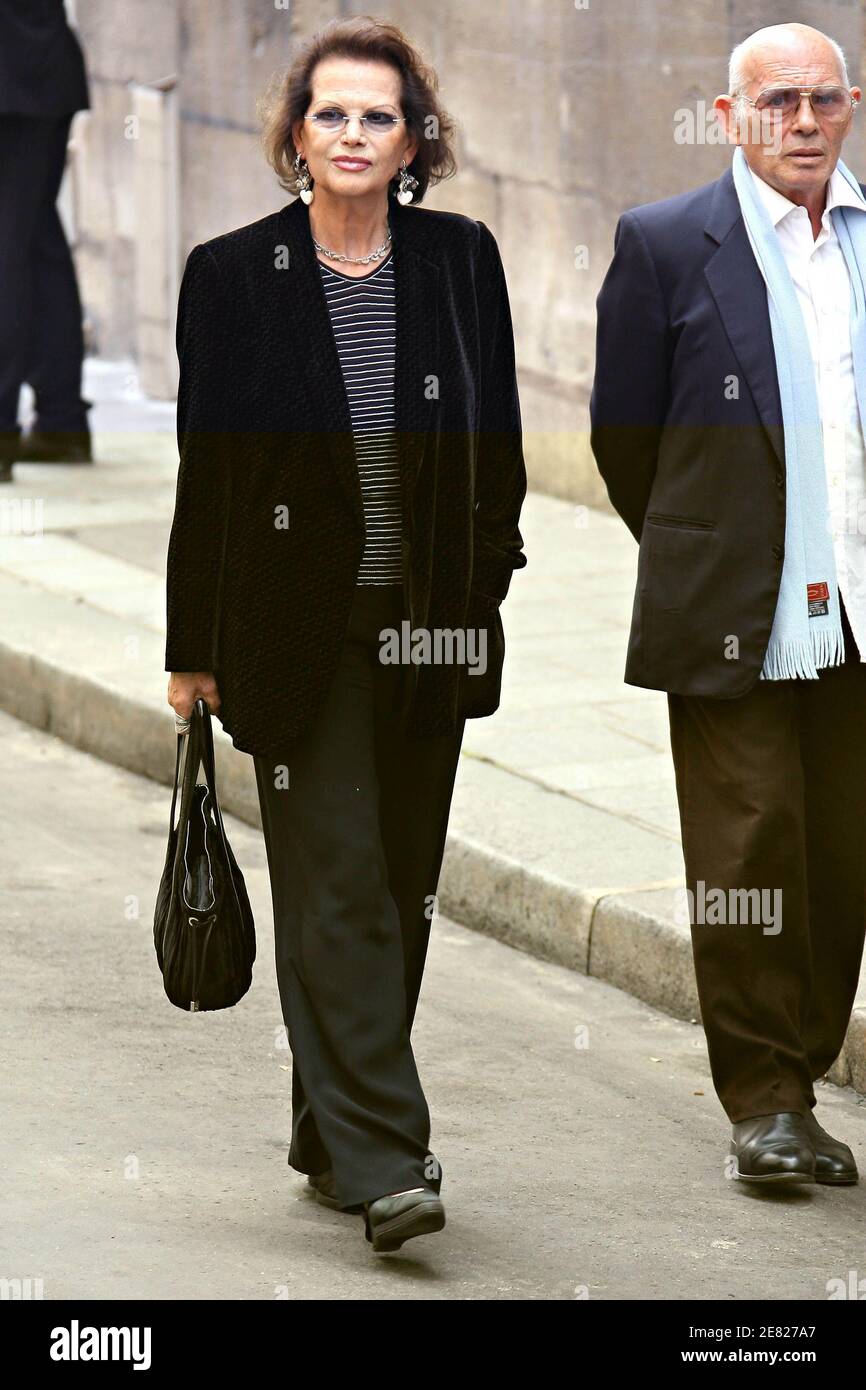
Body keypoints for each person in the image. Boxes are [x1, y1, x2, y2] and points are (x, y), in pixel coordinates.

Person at [164, 16, 527, 1251]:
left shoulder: (458, 260)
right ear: (296, 135)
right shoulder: (230, 273)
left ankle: (330, 1130)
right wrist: (189, 645)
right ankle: (386, 1158)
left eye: (379, 115)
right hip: (288, 637)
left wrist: (485, 587)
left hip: (426, 633)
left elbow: (499, 453)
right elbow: (203, 476)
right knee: (337, 897)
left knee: (398, 889)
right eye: (332, 114)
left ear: (413, 136)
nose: (355, 134)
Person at [591, 22, 866, 1188]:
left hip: (856, 609)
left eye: (823, 101)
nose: (801, 123)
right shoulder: (663, 244)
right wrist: (709, 546)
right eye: (777, 103)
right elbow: (623, 438)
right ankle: (763, 1099)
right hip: (732, 608)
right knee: (750, 842)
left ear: (849, 109)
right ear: (728, 116)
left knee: (839, 857)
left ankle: (800, 1067)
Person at [0, 0, 92, 483]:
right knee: (33, 237)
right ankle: (61, 422)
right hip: (36, 66)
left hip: (18, 72)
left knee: (14, 246)